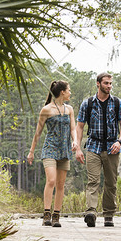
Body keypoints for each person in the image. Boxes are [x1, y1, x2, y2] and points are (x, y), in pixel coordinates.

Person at [75, 73, 121, 227]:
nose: (109, 86)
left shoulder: (118, 103)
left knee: (111, 183)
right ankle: (91, 212)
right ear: (98, 84)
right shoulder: (88, 103)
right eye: (106, 83)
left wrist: (120, 141)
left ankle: (109, 214)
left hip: (113, 147)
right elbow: (79, 126)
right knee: (93, 181)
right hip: (93, 146)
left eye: (110, 83)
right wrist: (78, 148)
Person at [27, 80, 77, 227]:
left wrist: (75, 141)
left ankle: (56, 215)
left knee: (61, 185)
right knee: (51, 181)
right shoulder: (46, 110)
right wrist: (31, 152)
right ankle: (46, 214)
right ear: (62, 92)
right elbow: (38, 133)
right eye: (69, 90)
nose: (70, 93)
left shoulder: (69, 109)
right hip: (50, 148)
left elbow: (73, 128)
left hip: (65, 149)